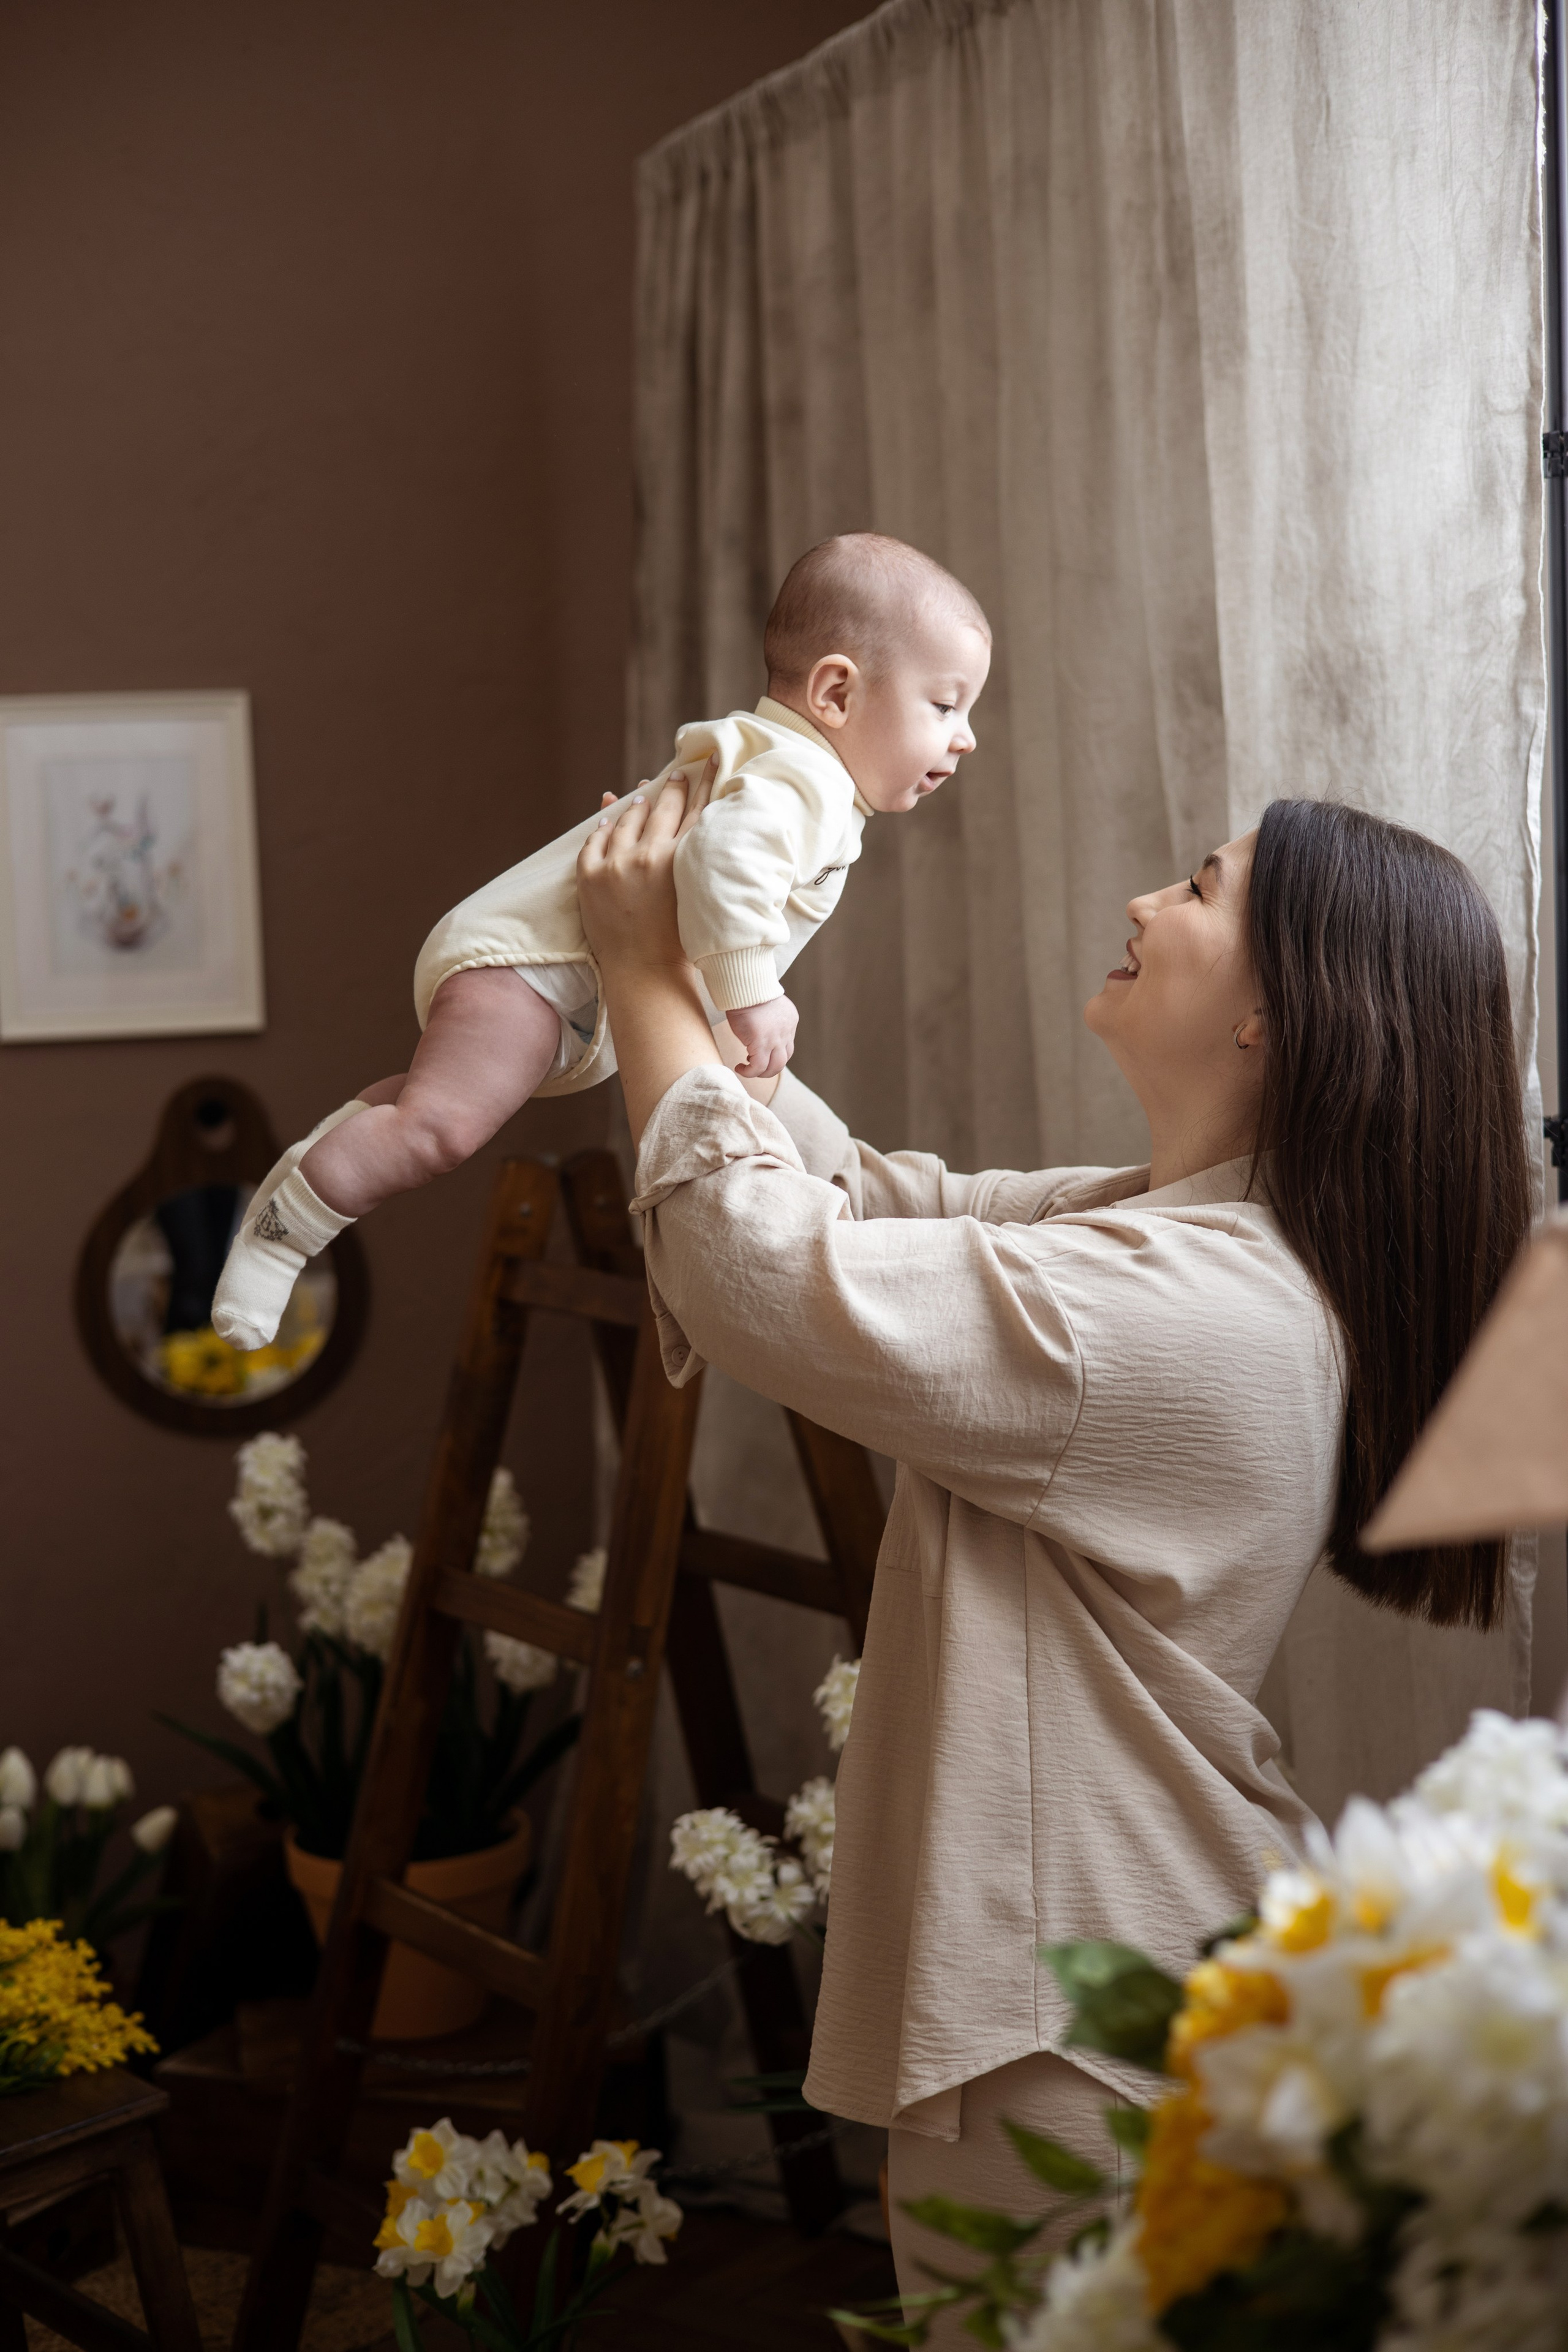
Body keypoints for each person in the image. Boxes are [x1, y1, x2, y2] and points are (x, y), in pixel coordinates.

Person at [573, 774, 1531, 2339]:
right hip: (1087, 1967)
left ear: (1273, 1020)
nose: (1147, 905)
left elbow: (764, 1270)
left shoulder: (1189, 1312)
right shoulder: (1163, 1232)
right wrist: (692, 966)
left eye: (1201, 890)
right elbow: (874, 1201)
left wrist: (634, 976)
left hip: (1078, 2000)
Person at [210, 534, 990, 1351]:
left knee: (425, 1107)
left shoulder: (782, 768)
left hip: (540, 976)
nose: (965, 736)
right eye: (945, 706)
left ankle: (320, 1164)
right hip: (526, 971)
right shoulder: (804, 782)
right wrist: (754, 994)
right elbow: (725, 868)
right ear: (834, 693)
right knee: (440, 1133)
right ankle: (281, 1236)